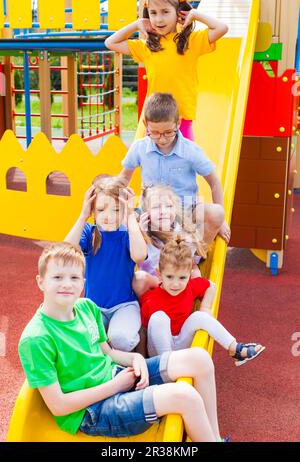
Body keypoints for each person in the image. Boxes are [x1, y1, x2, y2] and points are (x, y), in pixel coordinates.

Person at [18, 242, 223, 442]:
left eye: (74, 277)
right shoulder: (36, 338)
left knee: (200, 359)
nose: (67, 284)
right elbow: (59, 406)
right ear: (41, 281)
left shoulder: (86, 308)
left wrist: (135, 358)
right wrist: (115, 386)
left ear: (83, 281)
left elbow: (108, 353)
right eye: (57, 277)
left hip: (115, 377)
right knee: (185, 396)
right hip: (92, 411)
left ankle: (215, 437)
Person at [105, 0, 228, 141]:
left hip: (182, 119)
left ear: (178, 13)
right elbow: (110, 42)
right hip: (154, 121)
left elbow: (222, 28)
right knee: (152, 163)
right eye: (153, 13)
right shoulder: (147, 47)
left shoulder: (191, 42)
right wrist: (137, 24)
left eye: (165, 12)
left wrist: (195, 14)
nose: (159, 19)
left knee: (185, 162)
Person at [120, 92, 231, 243]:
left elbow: (214, 182)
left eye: (168, 132)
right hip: (152, 214)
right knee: (118, 220)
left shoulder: (190, 151)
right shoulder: (139, 148)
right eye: (155, 133)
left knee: (217, 213)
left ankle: (194, 254)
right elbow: (124, 178)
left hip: (184, 214)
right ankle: (146, 254)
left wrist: (222, 220)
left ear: (178, 124)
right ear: (146, 125)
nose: (162, 138)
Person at [138, 237, 265, 364]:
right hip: (159, 354)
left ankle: (235, 349)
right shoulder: (150, 298)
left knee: (199, 316)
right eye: (170, 277)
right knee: (159, 318)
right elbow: (143, 331)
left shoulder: (190, 287)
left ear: (189, 274)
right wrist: (142, 360)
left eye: (182, 277)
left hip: (181, 342)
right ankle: (167, 366)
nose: (175, 284)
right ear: (159, 273)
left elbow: (211, 285)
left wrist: (205, 307)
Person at [64, 175, 147, 352]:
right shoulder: (90, 232)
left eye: (116, 210)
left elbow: (140, 255)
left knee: (121, 339)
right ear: (93, 211)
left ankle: (136, 338)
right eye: (101, 210)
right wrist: (83, 215)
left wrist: (131, 215)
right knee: (84, 342)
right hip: (93, 307)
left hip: (124, 305)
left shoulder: (127, 234)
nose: (108, 217)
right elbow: (66, 251)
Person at [133, 184, 206, 298]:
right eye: (156, 207)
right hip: (156, 288)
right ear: (146, 213)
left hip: (178, 284)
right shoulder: (142, 236)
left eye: (169, 206)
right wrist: (140, 233)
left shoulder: (182, 232)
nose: (163, 211)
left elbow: (192, 265)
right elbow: (138, 259)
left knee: (204, 282)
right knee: (139, 279)